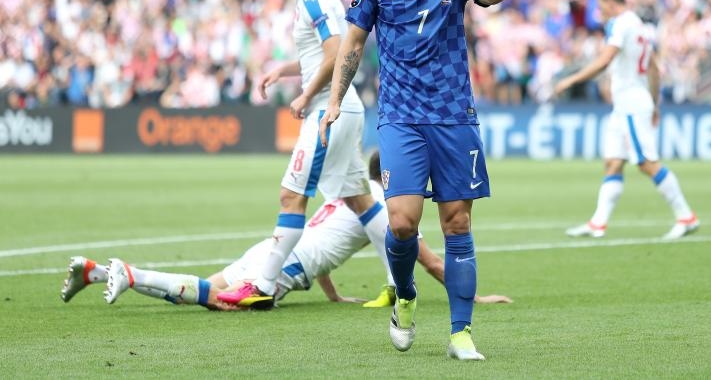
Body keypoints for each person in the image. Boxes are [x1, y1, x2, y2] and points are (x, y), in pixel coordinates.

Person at [319, 0, 507, 361]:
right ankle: (404, 295)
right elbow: (355, 43)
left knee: (457, 220)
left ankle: (461, 332)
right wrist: (334, 101)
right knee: (401, 223)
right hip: (401, 116)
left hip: (453, 115)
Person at [60, 154, 512, 309]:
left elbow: (323, 239)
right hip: (286, 267)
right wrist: (473, 298)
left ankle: (101, 271)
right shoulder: (379, 207)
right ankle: (130, 275)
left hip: (275, 248)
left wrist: (332, 294)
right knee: (220, 303)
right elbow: (428, 259)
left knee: (212, 285)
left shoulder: (353, 194)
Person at [217, 0, 393, 309]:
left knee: (291, 196)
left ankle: (263, 283)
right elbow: (320, 55)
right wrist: (285, 70)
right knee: (360, 200)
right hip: (344, 106)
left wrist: (305, 94)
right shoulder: (310, 1)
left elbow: (338, 52)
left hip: (330, 109)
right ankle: (399, 280)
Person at [553, 0, 699, 240]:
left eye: (601, 6)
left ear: (611, 2)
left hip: (631, 102)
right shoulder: (638, 25)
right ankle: (598, 223)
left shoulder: (621, 24)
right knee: (612, 162)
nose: (600, 12)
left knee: (645, 163)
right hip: (627, 104)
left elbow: (606, 59)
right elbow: (653, 67)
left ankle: (686, 216)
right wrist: (655, 103)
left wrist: (571, 80)